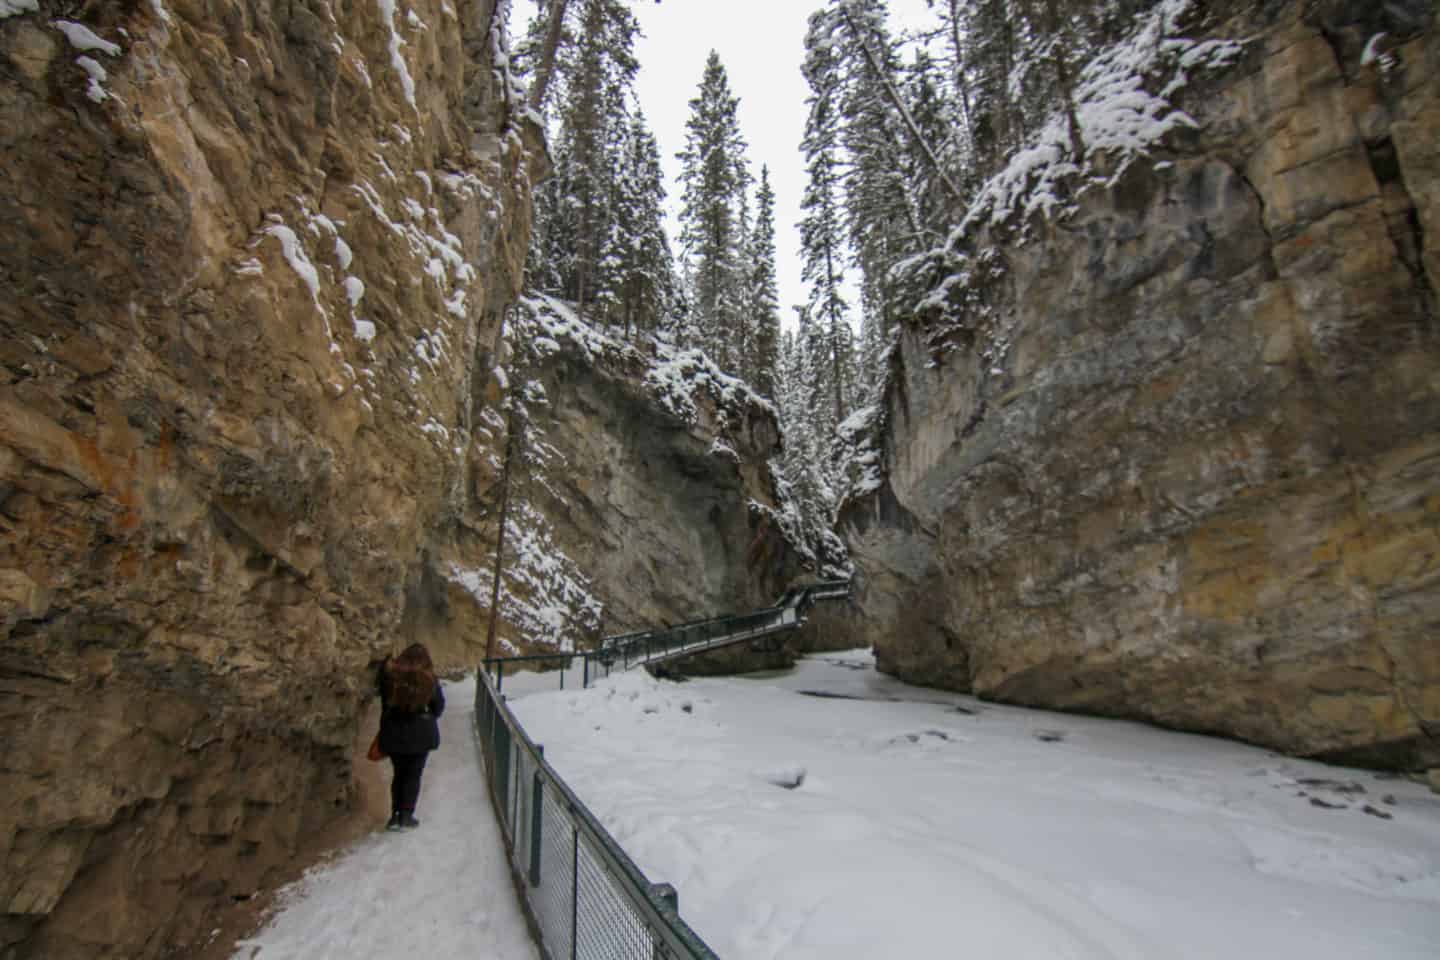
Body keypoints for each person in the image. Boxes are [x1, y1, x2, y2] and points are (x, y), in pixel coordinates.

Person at [376, 643, 445, 830]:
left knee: (398, 774)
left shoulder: (391, 678)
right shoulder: (429, 680)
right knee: (413, 775)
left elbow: (383, 698)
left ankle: (395, 814)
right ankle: (407, 814)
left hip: (394, 733)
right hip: (421, 735)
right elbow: (438, 707)